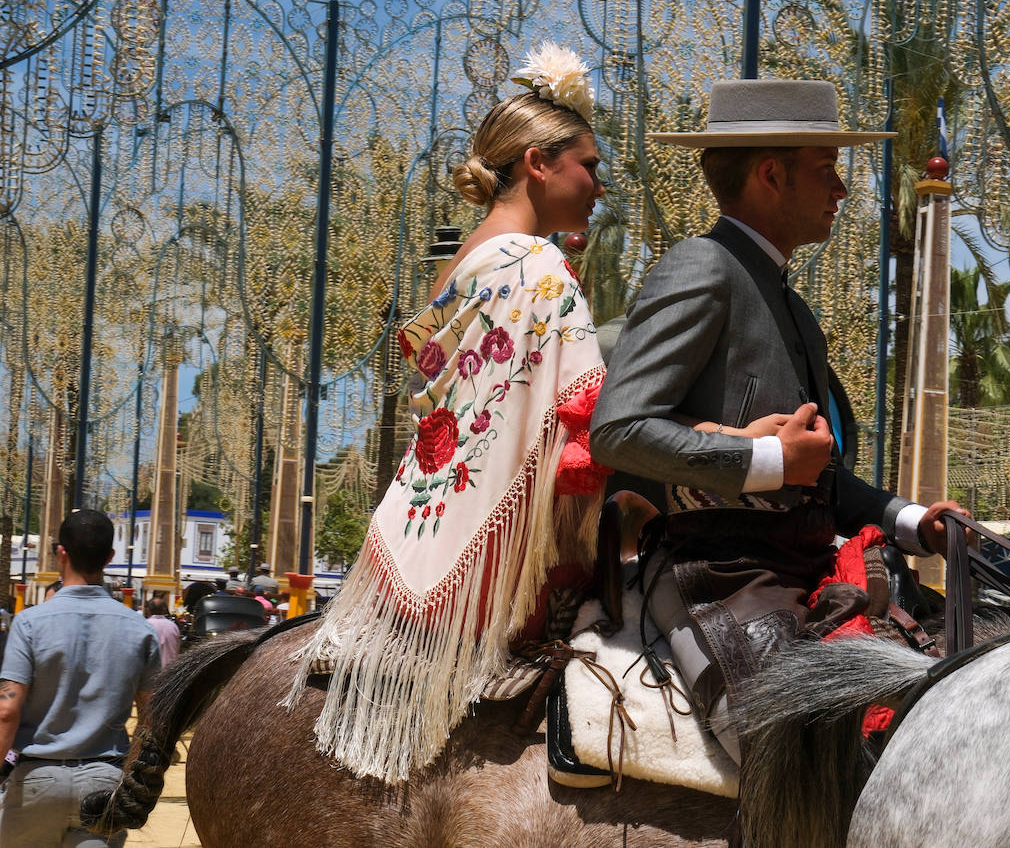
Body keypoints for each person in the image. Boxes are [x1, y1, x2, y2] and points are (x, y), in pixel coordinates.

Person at [590, 78, 967, 763]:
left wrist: (915, 523)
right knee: (813, 761)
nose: (842, 190)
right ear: (770, 174)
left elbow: (819, 476)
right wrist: (766, 464)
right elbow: (618, 428)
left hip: (801, 566)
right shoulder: (702, 266)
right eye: (826, 170)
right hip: (722, 574)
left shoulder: (789, 302)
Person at [287, 42, 608, 786]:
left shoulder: (466, 261)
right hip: (502, 567)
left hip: (419, 523)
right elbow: (578, 426)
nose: (598, 185)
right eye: (588, 165)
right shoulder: (537, 268)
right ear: (538, 162)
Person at [0, 510, 161, 847]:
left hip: (37, 781)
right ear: (110, 557)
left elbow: (6, 711)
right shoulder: (140, 630)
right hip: (104, 784)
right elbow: (152, 719)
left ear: (62, 552)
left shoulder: (30, 624)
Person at [143, 596, 181, 669]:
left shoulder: (145, 625)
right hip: (169, 672)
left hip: (151, 674)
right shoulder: (173, 627)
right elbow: (177, 650)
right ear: (164, 610)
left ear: (148, 610)